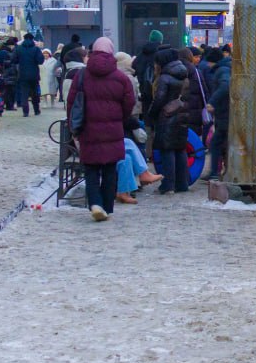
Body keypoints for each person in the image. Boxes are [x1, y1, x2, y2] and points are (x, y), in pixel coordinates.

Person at [67, 37, 135, 222]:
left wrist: (73, 126)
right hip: (113, 129)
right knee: (110, 170)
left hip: (89, 129)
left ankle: (95, 204)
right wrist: (120, 118)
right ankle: (107, 206)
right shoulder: (121, 77)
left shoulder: (81, 76)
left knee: (91, 170)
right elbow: (130, 102)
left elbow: (72, 103)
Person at [147, 47, 191, 194]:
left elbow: (159, 99)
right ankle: (182, 183)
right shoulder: (184, 75)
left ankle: (168, 184)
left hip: (166, 116)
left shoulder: (164, 77)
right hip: (182, 113)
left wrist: (151, 114)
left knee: (167, 150)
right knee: (180, 148)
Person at [204, 48, 231, 179]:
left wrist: (212, 102)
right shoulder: (225, 68)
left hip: (225, 114)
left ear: (213, 61)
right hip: (225, 113)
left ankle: (214, 173)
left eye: (209, 62)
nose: (208, 65)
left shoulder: (222, 70)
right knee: (221, 143)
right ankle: (218, 172)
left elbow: (225, 86)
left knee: (216, 143)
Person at [133, 30, 163, 115]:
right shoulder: (161, 54)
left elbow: (134, 67)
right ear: (160, 41)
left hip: (144, 93)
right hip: (157, 92)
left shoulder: (141, 54)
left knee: (147, 118)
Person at [0, 37, 18, 111]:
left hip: (4, 74)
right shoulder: (9, 53)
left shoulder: (0, 51)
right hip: (9, 74)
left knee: (5, 91)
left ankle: (4, 105)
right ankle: (9, 105)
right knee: (10, 91)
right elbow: (11, 63)